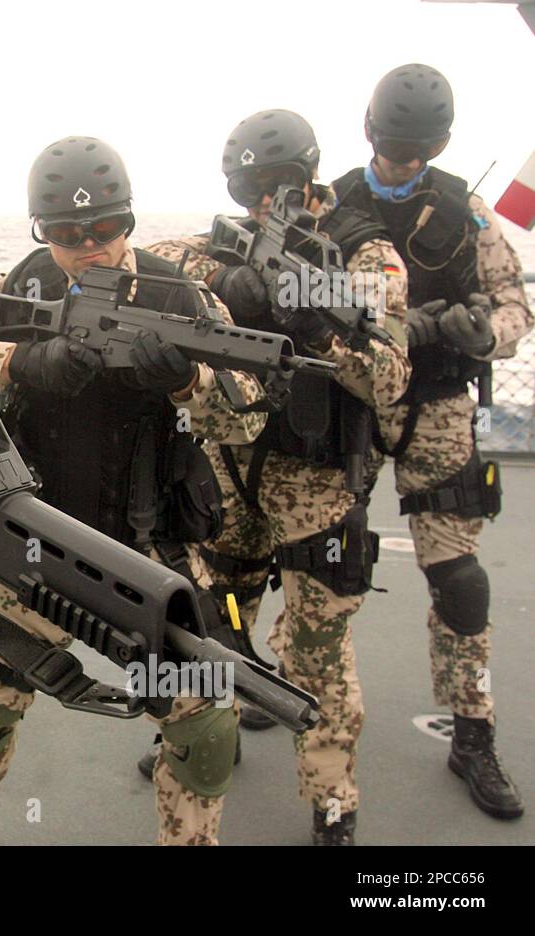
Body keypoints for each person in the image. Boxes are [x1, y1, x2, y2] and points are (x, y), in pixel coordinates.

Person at [0, 137, 269, 845]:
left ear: (129, 220)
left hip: (147, 543)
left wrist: (185, 380)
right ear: (41, 231)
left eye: (105, 229)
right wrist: (20, 361)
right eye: (66, 234)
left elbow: (246, 405)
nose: (88, 246)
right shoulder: (21, 288)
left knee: (209, 725)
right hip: (31, 542)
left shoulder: (178, 296)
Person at [144, 109, 412, 844]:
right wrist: (229, 279)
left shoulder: (366, 253)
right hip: (230, 474)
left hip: (317, 485)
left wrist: (322, 319)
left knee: (317, 649)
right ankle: (211, 731)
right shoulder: (223, 240)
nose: (265, 198)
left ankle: (332, 799)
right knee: (222, 615)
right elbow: (161, 265)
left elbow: (389, 375)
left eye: (279, 183)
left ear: (308, 177)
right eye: (250, 185)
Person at [328, 64, 530, 819]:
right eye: (394, 149)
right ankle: (279, 686)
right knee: (321, 558)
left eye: (418, 152)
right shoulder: (335, 203)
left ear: (438, 146)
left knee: (461, 580)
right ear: (371, 134)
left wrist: (488, 331)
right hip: (352, 402)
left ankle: (472, 731)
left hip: (439, 404)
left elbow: (514, 303)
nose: (404, 164)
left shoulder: (465, 210)